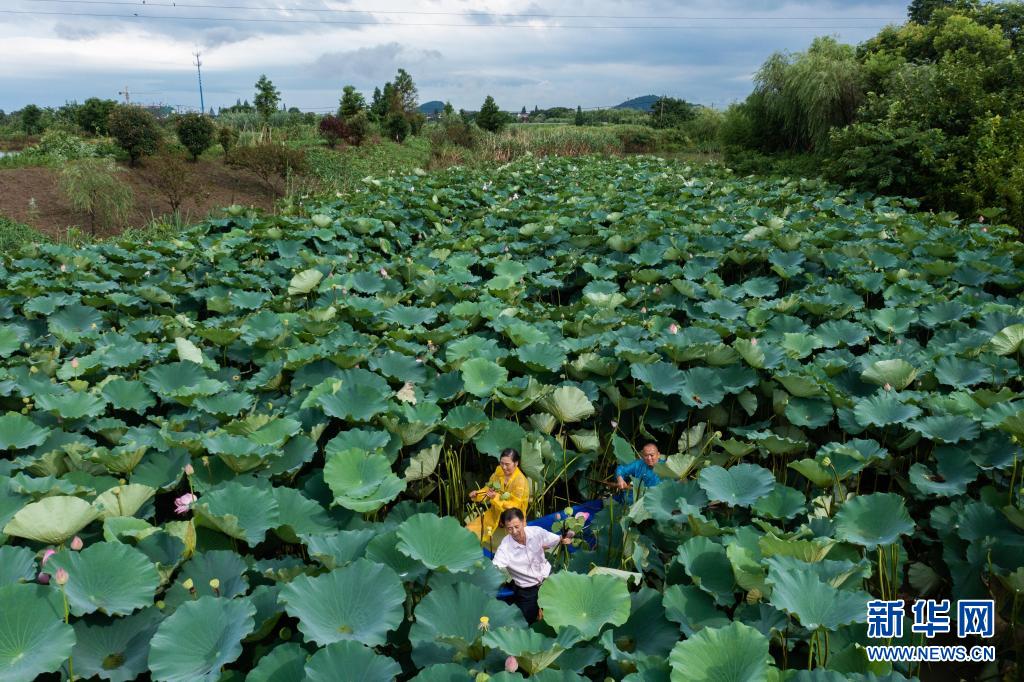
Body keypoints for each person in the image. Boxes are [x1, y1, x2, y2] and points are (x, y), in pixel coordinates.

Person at [491, 507, 572, 623]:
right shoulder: (504, 548)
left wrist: (565, 539)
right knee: (525, 622)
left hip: (548, 579)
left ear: (524, 522)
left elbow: (557, 539)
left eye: (516, 526)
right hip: (527, 590)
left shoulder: (536, 532)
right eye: (509, 529)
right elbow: (494, 567)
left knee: (561, 613)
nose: (514, 532)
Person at [466, 448, 530, 544]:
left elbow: (515, 506)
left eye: (507, 464)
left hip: (513, 519)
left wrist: (495, 497)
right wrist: (477, 494)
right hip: (494, 514)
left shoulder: (520, 480)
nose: (504, 467)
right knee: (468, 532)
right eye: (502, 463)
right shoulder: (499, 471)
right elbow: (489, 488)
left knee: (513, 547)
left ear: (516, 463)